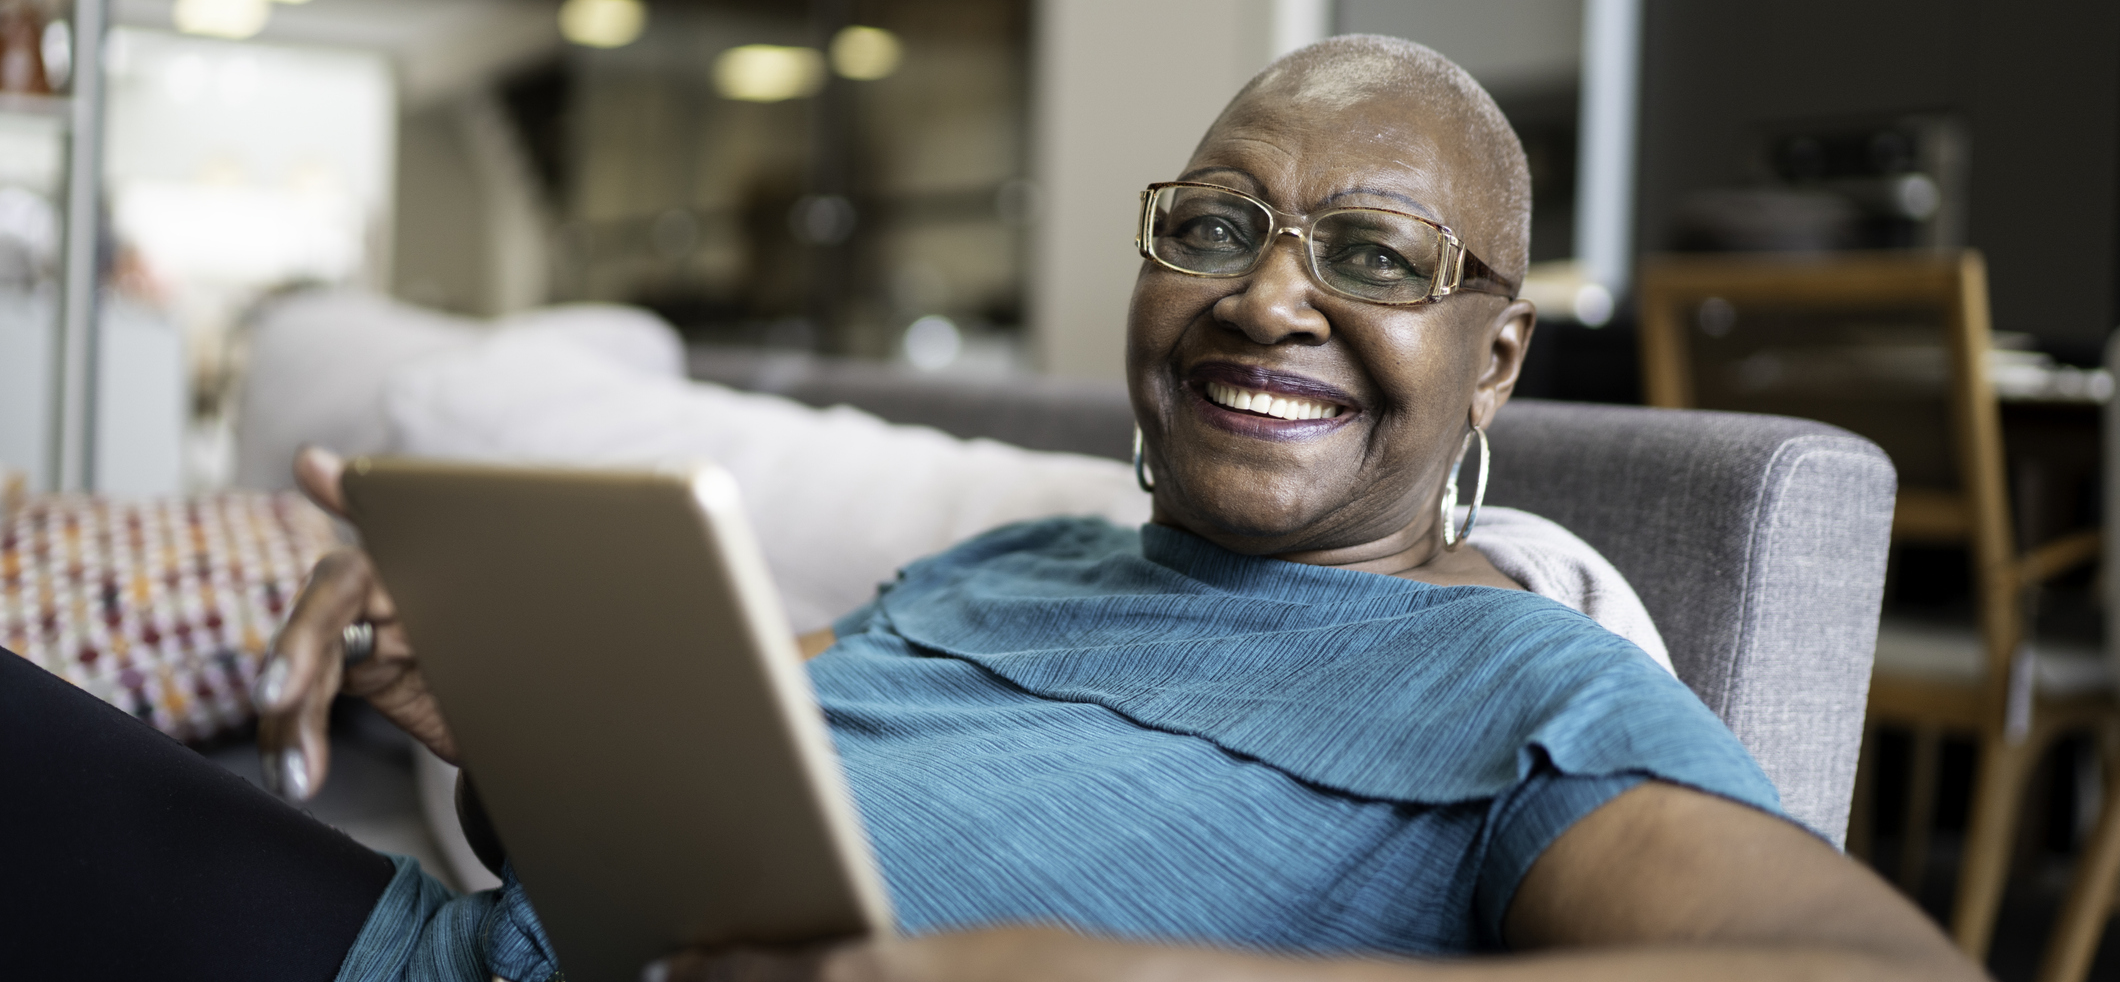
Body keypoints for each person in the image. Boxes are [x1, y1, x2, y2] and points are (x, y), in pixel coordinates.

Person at [0, 36, 1979, 982]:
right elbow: (729, 851)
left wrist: (1128, 980)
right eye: (1215, 228)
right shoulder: (1015, 569)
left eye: (1369, 255)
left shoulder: (1522, 685)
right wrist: (515, 722)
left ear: (1495, 361)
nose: (1266, 293)